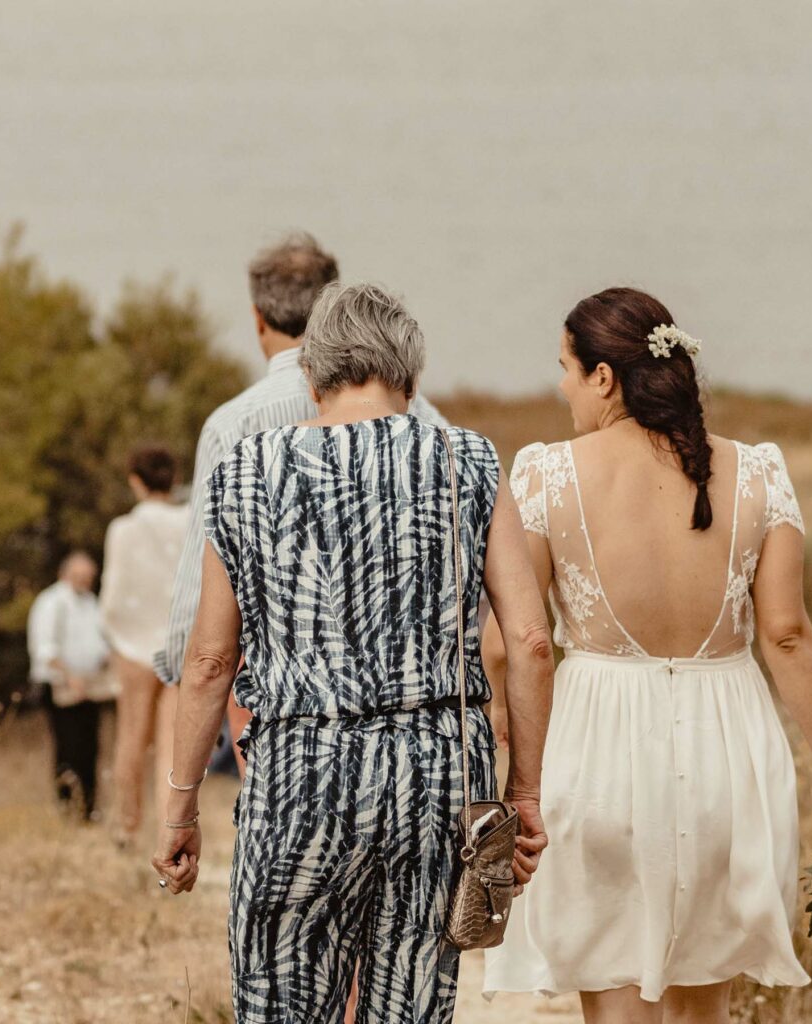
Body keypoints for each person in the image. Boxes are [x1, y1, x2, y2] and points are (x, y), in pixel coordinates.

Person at [482, 287, 812, 1024]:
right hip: (725, 758)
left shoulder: (545, 475)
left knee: (613, 1003)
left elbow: (513, 643)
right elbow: (787, 634)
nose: (562, 386)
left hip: (595, 753)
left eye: (567, 368)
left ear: (604, 378)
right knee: (703, 1009)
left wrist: (511, 764)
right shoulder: (759, 472)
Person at [151, 283, 553, 1023]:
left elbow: (210, 660)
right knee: (408, 1004)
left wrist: (180, 809)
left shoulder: (242, 472)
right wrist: (522, 795)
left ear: (313, 374)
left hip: (296, 776)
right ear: (412, 374)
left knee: (279, 1003)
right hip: (436, 774)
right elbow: (530, 641)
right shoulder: (466, 459)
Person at [153, 232, 447, 777]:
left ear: (258, 318)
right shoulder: (425, 416)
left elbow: (202, 601)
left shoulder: (232, 427)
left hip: (278, 709)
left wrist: (179, 666)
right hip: (412, 712)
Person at [100, 444, 189, 845]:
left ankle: (126, 825)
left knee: (131, 738)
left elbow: (114, 592)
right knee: (174, 745)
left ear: (135, 481)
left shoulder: (123, 528)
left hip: (133, 646)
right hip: (177, 644)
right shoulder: (190, 520)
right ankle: (168, 830)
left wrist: (115, 635)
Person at [27, 551, 112, 819]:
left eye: (88, 576)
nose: (85, 580)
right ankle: (68, 805)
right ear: (64, 574)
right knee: (69, 746)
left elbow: (100, 642)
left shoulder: (91, 602)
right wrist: (70, 676)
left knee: (90, 747)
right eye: (80, 575)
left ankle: (88, 806)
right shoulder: (51, 602)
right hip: (59, 685)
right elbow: (45, 648)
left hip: (90, 685)